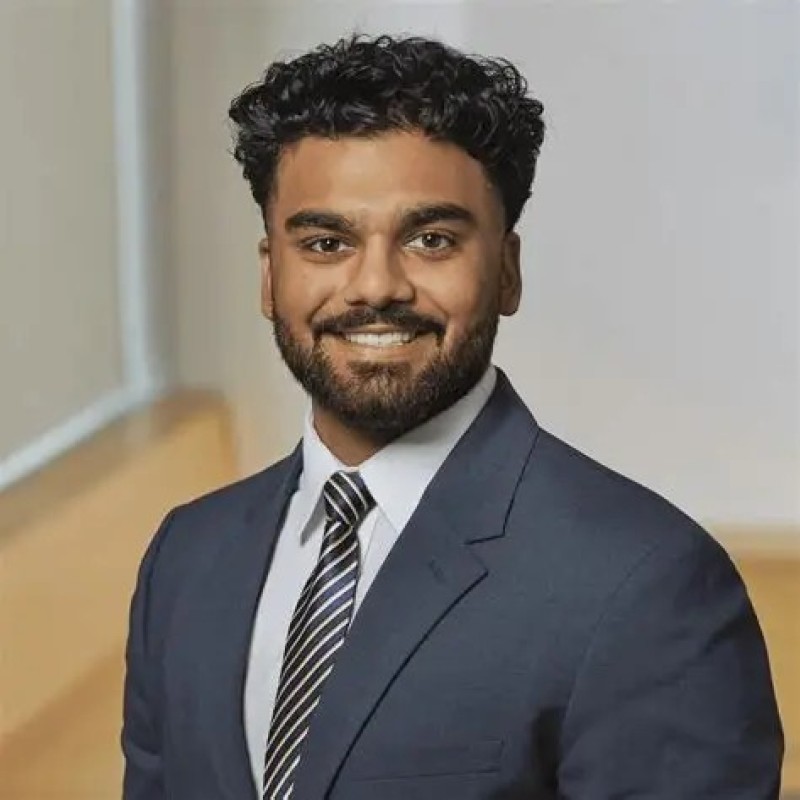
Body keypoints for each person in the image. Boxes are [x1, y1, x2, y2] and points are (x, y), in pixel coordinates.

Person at [122, 34, 783, 800]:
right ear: (271, 276)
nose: (376, 286)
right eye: (326, 242)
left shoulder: (645, 584)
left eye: (431, 240)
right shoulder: (187, 559)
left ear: (507, 271)